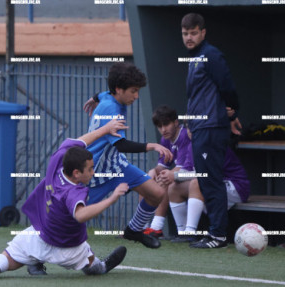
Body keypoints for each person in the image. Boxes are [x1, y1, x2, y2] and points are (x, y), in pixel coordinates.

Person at [0, 119, 128, 277]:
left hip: (40, 233)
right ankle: (101, 266)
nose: (93, 172)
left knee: (5, 260)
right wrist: (112, 198)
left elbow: (80, 141)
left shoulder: (58, 159)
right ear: (76, 173)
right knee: (94, 266)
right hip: (67, 247)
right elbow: (80, 215)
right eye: (90, 169)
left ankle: (32, 261)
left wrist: (105, 129)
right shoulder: (73, 192)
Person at [83, 63, 173, 249]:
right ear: (119, 89)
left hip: (117, 165)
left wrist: (93, 98)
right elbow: (121, 145)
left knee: (156, 193)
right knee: (70, 217)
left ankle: (133, 230)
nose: (136, 96)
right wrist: (153, 146)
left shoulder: (109, 96)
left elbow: (102, 94)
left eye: (138, 91)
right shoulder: (110, 108)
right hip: (96, 171)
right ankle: (36, 256)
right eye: (133, 91)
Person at [182, 13, 242, 248]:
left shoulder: (211, 55)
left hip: (211, 128)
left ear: (203, 33)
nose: (189, 37)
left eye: (194, 33)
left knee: (211, 181)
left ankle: (218, 235)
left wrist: (233, 113)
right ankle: (214, 232)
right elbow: (199, 96)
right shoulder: (195, 57)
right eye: (185, 33)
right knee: (207, 181)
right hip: (201, 127)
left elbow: (227, 86)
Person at [168, 142, 250, 246]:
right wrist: (170, 176)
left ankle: (190, 232)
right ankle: (183, 233)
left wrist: (175, 175)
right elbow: (186, 170)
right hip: (213, 186)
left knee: (196, 183)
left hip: (236, 187)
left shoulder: (213, 144)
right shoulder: (192, 145)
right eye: (189, 127)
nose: (191, 130)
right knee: (174, 188)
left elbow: (206, 174)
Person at [142, 105, 191, 238]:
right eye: (159, 126)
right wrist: (152, 173)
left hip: (193, 177)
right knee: (145, 179)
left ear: (176, 122)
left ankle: (157, 227)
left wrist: (162, 176)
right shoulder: (165, 139)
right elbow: (162, 166)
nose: (163, 130)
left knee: (165, 180)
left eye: (166, 124)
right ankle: (142, 225)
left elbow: (181, 168)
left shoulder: (184, 135)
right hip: (181, 177)